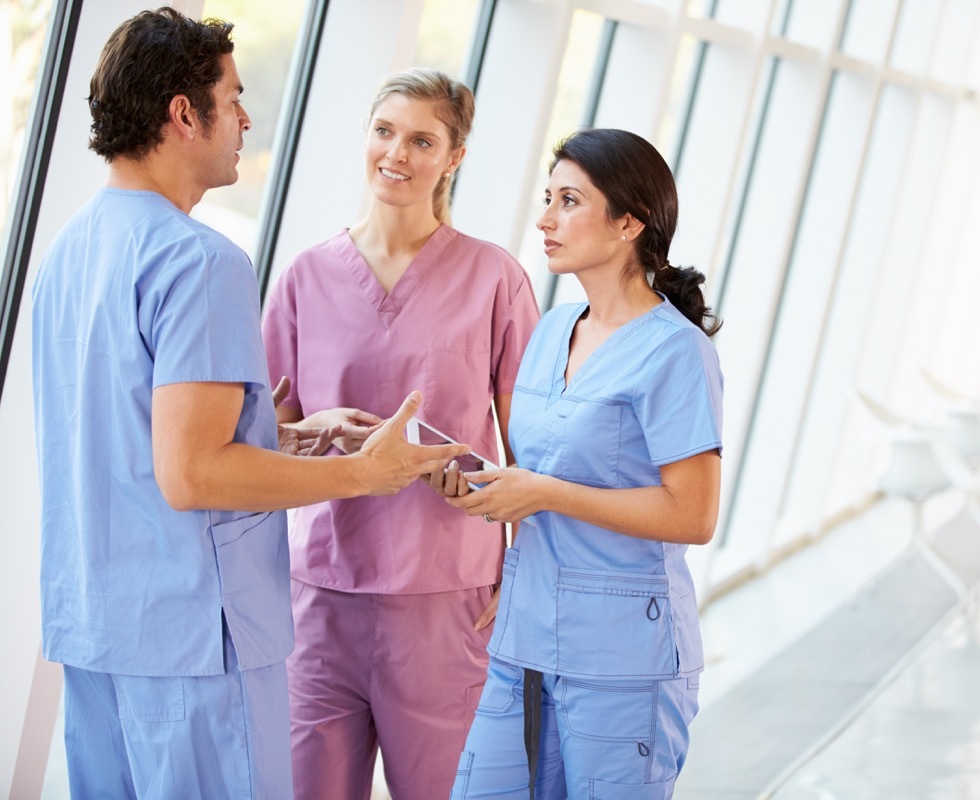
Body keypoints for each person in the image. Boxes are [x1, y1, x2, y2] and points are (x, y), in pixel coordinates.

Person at [30, 10, 468, 799]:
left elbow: (134, 436)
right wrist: (366, 475)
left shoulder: (70, 250)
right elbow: (193, 474)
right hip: (195, 643)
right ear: (183, 114)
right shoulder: (199, 260)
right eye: (232, 99)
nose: (246, 118)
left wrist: (284, 434)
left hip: (97, 628)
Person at [260, 67, 539, 799]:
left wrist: (527, 565)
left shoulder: (495, 280)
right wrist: (307, 432)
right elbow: (263, 437)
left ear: (454, 159)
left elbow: (533, 445)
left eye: (422, 140)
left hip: (448, 596)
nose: (397, 153)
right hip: (321, 593)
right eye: (385, 131)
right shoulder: (306, 277)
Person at [445, 128, 724, 798]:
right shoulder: (550, 332)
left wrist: (541, 491)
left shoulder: (676, 353)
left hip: (624, 660)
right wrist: (482, 485)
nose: (545, 219)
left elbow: (693, 514)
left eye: (569, 201)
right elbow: (540, 467)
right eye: (548, 198)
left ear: (629, 222)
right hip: (525, 642)